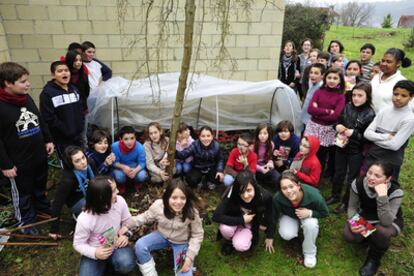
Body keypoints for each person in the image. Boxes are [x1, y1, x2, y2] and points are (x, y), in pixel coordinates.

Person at [0, 62, 54, 235]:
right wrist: (6, 164)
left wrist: (48, 140)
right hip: (18, 162)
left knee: (39, 183)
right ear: (8, 83)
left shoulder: (26, 98)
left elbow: (38, 119)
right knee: (23, 193)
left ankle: (41, 206)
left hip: (38, 154)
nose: (28, 84)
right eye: (23, 81)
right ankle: (27, 221)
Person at [119, 179, 204, 276]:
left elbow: (197, 235)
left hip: (181, 242)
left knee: (184, 272)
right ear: (167, 197)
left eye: (183, 198)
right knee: (140, 245)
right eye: (174, 198)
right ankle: (150, 273)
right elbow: (145, 217)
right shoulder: (159, 206)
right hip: (162, 236)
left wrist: (189, 257)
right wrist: (127, 225)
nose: (178, 202)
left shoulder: (191, 212)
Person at [343, 161, 403, 276]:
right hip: (367, 215)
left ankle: (374, 259)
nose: (371, 177)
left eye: (377, 176)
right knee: (349, 234)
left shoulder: (396, 191)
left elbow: (386, 221)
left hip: (389, 219)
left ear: (388, 179)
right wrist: (353, 223)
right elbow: (352, 208)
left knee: (382, 231)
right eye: (369, 173)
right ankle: (370, 239)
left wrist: (382, 196)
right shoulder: (358, 183)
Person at [325, 83, 375, 213]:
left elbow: (368, 138)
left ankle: (346, 202)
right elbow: (338, 121)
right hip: (341, 146)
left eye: (360, 95)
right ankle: (335, 195)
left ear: (367, 97)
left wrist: (354, 134)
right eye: (354, 95)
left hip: (356, 151)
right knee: (338, 172)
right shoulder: (347, 107)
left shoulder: (370, 114)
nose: (356, 98)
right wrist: (337, 126)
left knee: (352, 177)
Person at [73, 176, 135, 276]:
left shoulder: (120, 201)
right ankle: (104, 266)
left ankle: (112, 266)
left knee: (126, 263)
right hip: (96, 250)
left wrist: (126, 234)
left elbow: (128, 222)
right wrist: (95, 253)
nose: (118, 192)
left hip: (116, 245)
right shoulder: (85, 219)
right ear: (102, 197)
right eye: (114, 191)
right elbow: (78, 244)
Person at [272, 171, 329, 268]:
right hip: (290, 216)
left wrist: (310, 213)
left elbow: (325, 212)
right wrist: (269, 235)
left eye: (291, 186)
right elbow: (274, 215)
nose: (289, 191)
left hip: (308, 217)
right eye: (284, 188)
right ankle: (297, 229)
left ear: (298, 186)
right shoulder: (277, 198)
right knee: (286, 234)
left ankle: (309, 252)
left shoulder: (314, 195)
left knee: (310, 225)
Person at [212, 170, 274, 255]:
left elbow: (270, 214)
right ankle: (229, 242)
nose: (245, 195)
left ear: (255, 187)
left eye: (249, 190)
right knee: (225, 229)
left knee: (240, 245)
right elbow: (216, 216)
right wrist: (241, 220)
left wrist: (269, 235)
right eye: (241, 192)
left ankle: (239, 239)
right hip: (235, 218)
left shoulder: (265, 197)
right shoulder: (232, 193)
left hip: (250, 225)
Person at [364, 80, 414, 181]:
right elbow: (367, 133)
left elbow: (394, 145)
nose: (398, 98)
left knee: (384, 190)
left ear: (411, 97)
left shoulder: (409, 119)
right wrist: (387, 136)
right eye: (395, 94)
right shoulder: (384, 110)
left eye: (404, 96)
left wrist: (374, 138)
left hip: (390, 161)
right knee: (367, 185)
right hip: (373, 156)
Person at [305, 67, 346, 179]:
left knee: (321, 155)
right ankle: (305, 172)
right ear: (325, 78)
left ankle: (316, 176)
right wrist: (327, 111)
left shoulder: (340, 96)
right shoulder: (318, 92)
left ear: (340, 80)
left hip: (327, 130)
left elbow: (335, 116)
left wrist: (318, 111)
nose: (331, 80)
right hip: (313, 126)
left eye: (335, 78)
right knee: (308, 150)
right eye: (329, 77)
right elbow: (310, 110)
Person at [39, 61, 84, 159]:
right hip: (62, 140)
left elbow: (80, 110)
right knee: (69, 165)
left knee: (81, 163)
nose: (64, 73)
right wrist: (66, 130)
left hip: (78, 137)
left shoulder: (74, 89)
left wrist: (80, 125)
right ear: (53, 75)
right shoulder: (47, 93)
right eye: (60, 71)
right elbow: (48, 118)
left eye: (66, 70)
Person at [49, 146, 97, 238]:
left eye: (83, 157)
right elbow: (57, 204)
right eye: (77, 161)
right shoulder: (67, 180)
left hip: (91, 191)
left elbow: (98, 179)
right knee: (92, 209)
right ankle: (78, 215)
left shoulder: (89, 163)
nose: (83, 162)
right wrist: (54, 229)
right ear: (71, 163)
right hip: (77, 200)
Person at [175, 126, 224, 190]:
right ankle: (199, 181)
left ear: (212, 136)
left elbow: (220, 159)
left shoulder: (216, 145)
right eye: (203, 136)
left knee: (218, 178)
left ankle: (209, 180)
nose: (206, 138)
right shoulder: (195, 144)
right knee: (190, 180)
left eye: (208, 136)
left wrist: (219, 170)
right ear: (199, 137)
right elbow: (184, 154)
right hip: (198, 167)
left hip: (211, 167)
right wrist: (174, 151)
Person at [371, 48, 411, 113]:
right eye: (383, 61)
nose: (384, 64)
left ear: (398, 63)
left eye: (388, 62)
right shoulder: (376, 76)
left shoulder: (401, 83)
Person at [112, 126, 147, 193]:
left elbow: (142, 163)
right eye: (126, 139)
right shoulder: (115, 146)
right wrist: (123, 167)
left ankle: (137, 183)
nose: (129, 142)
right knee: (119, 177)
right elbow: (114, 162)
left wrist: (135, 171)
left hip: (134, 166)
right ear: (121, 139)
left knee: (142, 176)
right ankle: (122, 184)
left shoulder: (140, 147)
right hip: (121, 166)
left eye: (132, 138)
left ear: (135, 138)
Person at [301, 63, 325, 127]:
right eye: (311, 72)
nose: (312, 75)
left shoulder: (321, 87)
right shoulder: (311, 82)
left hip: (312, 121)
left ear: (322, 75)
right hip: (304, 116)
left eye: (316, 73)